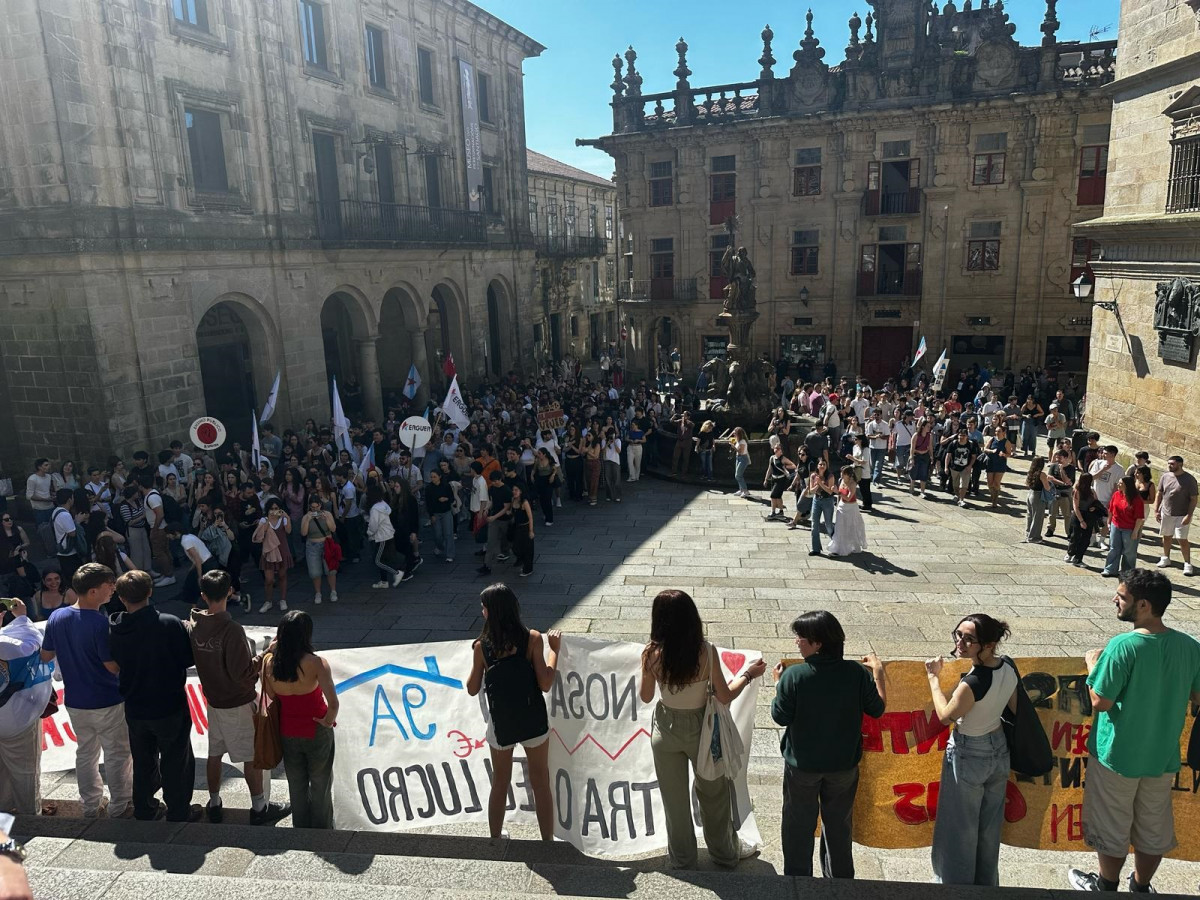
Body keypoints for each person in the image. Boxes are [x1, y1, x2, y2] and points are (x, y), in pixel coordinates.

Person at [1068, 569, 1200, 893]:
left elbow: (1100, 700)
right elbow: (1198, 696)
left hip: (1118, 756)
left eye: (1121, 596)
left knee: (1112, 827)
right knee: (1153, 829)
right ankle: (1141, 886)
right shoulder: (1189, 646)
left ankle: (1106, 885)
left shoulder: (1122, 646)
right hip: (1162, 756)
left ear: (1142, 605)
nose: (1115, 599)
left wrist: (1092, 665)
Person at [639, 589, 766, 869]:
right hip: (703, 729)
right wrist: (747, 674)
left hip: (665, 729)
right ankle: (724, 853)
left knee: (674, 800)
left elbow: (646, 697)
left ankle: (683, 858)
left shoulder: (651, 654)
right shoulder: (706, 652)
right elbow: (724, 696)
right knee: (714, 794)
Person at [771, 611, 887, 878]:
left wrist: (778, 685)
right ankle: (840, 882)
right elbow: (878, 709)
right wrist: (878, 674)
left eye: (800, 637)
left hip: (802, 767)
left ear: (817, 643)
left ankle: (798, 881)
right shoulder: (856, 673)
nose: (797, 642)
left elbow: (780, 716)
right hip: (843, 767)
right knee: (839, 826)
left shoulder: (795, 676)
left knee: (797, 826)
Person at [188, 570, 290, 825]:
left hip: (213, 699)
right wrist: (267, 652)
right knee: (250, 755)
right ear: (230, 592)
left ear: (203, 595)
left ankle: (213, 801)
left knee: (215, 753)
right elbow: (242, 673)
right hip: (237, 700)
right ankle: (258, 807)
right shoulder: (231, 629)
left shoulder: (194, 625)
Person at [926, 614, 1018, 885]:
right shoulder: (1009, 667)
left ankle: (955, 886)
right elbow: (1013, 707)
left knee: (960, 827)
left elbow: (945, 716)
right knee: (989, 829)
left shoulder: (973, 682)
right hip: (998, 747)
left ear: (988, 645)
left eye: (969, 639)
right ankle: (986, 885)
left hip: (969, 752)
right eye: (958, 634)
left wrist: (933, 678)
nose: (960, 642)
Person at [465, 584, 561, 839]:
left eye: (483, 607)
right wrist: (554, 652)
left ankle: (496, 837)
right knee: (540, 782)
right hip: (533, 720)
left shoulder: (481, 647)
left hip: (501, 724)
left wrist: (479, 664)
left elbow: (472, 688)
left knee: (500, 782)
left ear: (490, 612)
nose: (482, 611)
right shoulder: (531, 638)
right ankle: (547, 841)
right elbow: (545, 683)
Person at [40, 564, 134, 819]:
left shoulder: (57, 617)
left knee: (85, 752)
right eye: (109, 585)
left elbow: (46, 655)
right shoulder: (100, 623)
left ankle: (91, 805)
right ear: (93, 591)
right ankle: (120, 804)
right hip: (107, 699)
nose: (113, 589)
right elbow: (111, 666)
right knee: (117, 754)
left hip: (75, 700)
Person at [107, 570, 196, 821]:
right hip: (169, 704)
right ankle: (179, 810)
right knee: (176, 758)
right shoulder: (169, 623)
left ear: (122, 598)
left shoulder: (116, 628)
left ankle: (144, 807)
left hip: (135, 704)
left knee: (143, 760)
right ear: (150, 592)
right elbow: (187, 659)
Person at [263, 610, 338, 829]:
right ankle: (322, 828)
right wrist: (327, 721)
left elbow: (271, 695)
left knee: (296, 784)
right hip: (316, 728)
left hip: (288, 728)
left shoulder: (269, 664)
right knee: (321, 783)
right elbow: (333, 703)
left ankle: (301, 829)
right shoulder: (316, 663)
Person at [0, 598, 54, 816]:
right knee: (26, 771)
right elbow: (33, 643)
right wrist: (22, 617)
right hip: (15, 720)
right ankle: (30, 815)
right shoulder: (7, 643)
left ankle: (3, 809)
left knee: (1, 770)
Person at [1155, 455, 1197, 576]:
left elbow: (1193, 499)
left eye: (1172, 464)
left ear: (1180, 464)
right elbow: (1160, 493)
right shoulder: (1165, 476)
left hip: (1182, 514)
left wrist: (1189, 515)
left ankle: (1187, 563)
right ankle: (1166, 557)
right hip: (1167, 512)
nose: (1169, 466)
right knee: (1166, 536)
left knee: (1182, 539)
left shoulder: (1189, 480)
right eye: (1168, 463)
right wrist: (1157, 510)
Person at [255, 499, 294, 610]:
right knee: (269, 579)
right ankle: (268, 601)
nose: (274, 511)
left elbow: (288, 531)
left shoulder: (283, 519)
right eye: (271, 509)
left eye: (276, 508)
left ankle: (283, 599)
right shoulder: (264, 520)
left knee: (282, 576)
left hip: (282, 549)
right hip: (269, 550)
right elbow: (260, 534)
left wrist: (287, 517)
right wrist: (268, 520)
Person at [1102, 476, 1145, 578]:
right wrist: (1109, 523)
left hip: (1129, 529)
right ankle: (1110, 569)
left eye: (1121, 483)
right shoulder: (1117, 494)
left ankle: (1128, 572)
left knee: (1129, 552)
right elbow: (1111, 510)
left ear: (1127, 485)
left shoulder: (1136, 499)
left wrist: (1135, 532)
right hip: (1116, 525)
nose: (1118, 485)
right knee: (1114, 549)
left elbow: (1139, 517)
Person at [300, 495, 339, 603]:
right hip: (312, 545)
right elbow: (303, 533)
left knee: (330, 570)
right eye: (312, 508)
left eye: (316, 507)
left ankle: (333, 591)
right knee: (315, 572)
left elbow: (333, 528)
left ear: (320, 505)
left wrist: (326, 519)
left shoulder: (327, 514)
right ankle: (318, 593)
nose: (315, 510)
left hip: (327, 544)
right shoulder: (306, 517)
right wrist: (308, 520)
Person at [364, 483, 401, 589]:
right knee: (383, 559)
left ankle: (396, 573)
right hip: (388, 534)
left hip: (381, 537)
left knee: (378, 560)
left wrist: (369, 533)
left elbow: (373, 525)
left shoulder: (375, 508)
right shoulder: (383, 504)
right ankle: (384, 581)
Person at [827, 466, 868, 557]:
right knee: (839, 527)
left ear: (848, 475)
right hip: (841, 506)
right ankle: (837, 548)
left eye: (843, 473)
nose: (841, 474)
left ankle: (849, 546)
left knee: (851, 527)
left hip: (851, 508)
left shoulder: (852, 484)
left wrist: (837, 492)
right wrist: (838, 504)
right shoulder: (841, 481)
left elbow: (849, 498)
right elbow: (839, 496)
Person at [806, 458, 837, 556]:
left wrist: (820, 484)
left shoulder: (830, 476)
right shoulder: (813, 476)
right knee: (814, 524)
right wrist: (816, 485)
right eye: (820, 464)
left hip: (827, 501)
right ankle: (816, 548)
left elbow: (830, 491)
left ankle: (836, 545)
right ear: (817, 466)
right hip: (817, 500)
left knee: (828, 524)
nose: (822, 466)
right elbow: (811, 491)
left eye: (824, 464)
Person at [1024, 457, 1054, 545]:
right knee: (1038, 517)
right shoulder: (1042, 474)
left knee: (1030, 515)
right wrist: (1049, 481)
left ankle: (1028, 533)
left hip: (1030, 494)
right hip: (1038, 496)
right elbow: (1047, 487)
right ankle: (1034, 537)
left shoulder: (1030, 472)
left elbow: (1026, 483)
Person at [763, 443, 797, 521]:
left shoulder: (783, 458)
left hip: (781, 479)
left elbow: (793, 465)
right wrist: (766, 479)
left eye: (778, 448)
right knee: (778, 496)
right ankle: (781, 511)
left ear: (781, 450)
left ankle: (773, 511)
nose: (776, 450)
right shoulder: (772, 458)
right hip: (774, 479)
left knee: (773, 495)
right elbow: (770, 469)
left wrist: (785, 466)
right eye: (775, 448)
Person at [947, 429, 979, 508]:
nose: (961, 437)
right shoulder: (953, 444)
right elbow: (948, 456)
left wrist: (970, 465)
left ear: (967, 437)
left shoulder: (970, 445)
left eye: (963, 435)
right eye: (960, 435)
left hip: (965, 468)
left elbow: (974, 457)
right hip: (954, 467)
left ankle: (961, 499)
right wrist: (946, 467)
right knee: (955, 484)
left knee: (964, 484)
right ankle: (957, 495)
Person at [508, 484, 536, 577]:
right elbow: (513, 512)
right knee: (516, 547)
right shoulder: (513, 500)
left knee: (527, 549)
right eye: (513, 490)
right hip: (517, 527)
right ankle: (523, 562)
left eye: (516, 490)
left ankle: (528, 569)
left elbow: (530, 517)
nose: (514, 492)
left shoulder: (524, 502)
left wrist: (531, 531)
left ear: (521, 492)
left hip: (525, 527)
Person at [982, 425, 1011, 508]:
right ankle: (993, 495)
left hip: (1000, 464)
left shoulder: (1006, 442)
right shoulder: (992, 439)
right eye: (996, 431)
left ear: (1003, 432)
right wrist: (991, 451)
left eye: (999, 431)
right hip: (990, 463)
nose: (997, 433)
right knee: (989, 483)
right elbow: (985, 449)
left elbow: (1009, 454)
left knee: (996, 483)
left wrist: (1004, 454)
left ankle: (994, 501)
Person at [731, 427, 751, 498]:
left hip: (743, 458)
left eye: (735, 433)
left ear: (738, 434)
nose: (734, 434)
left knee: (738, 475)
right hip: (738, 458)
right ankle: (741, 489)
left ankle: (745, 491)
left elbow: (741, 452)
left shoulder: (742, 441)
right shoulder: (738, 440)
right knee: (739, 475)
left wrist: (734, 447)